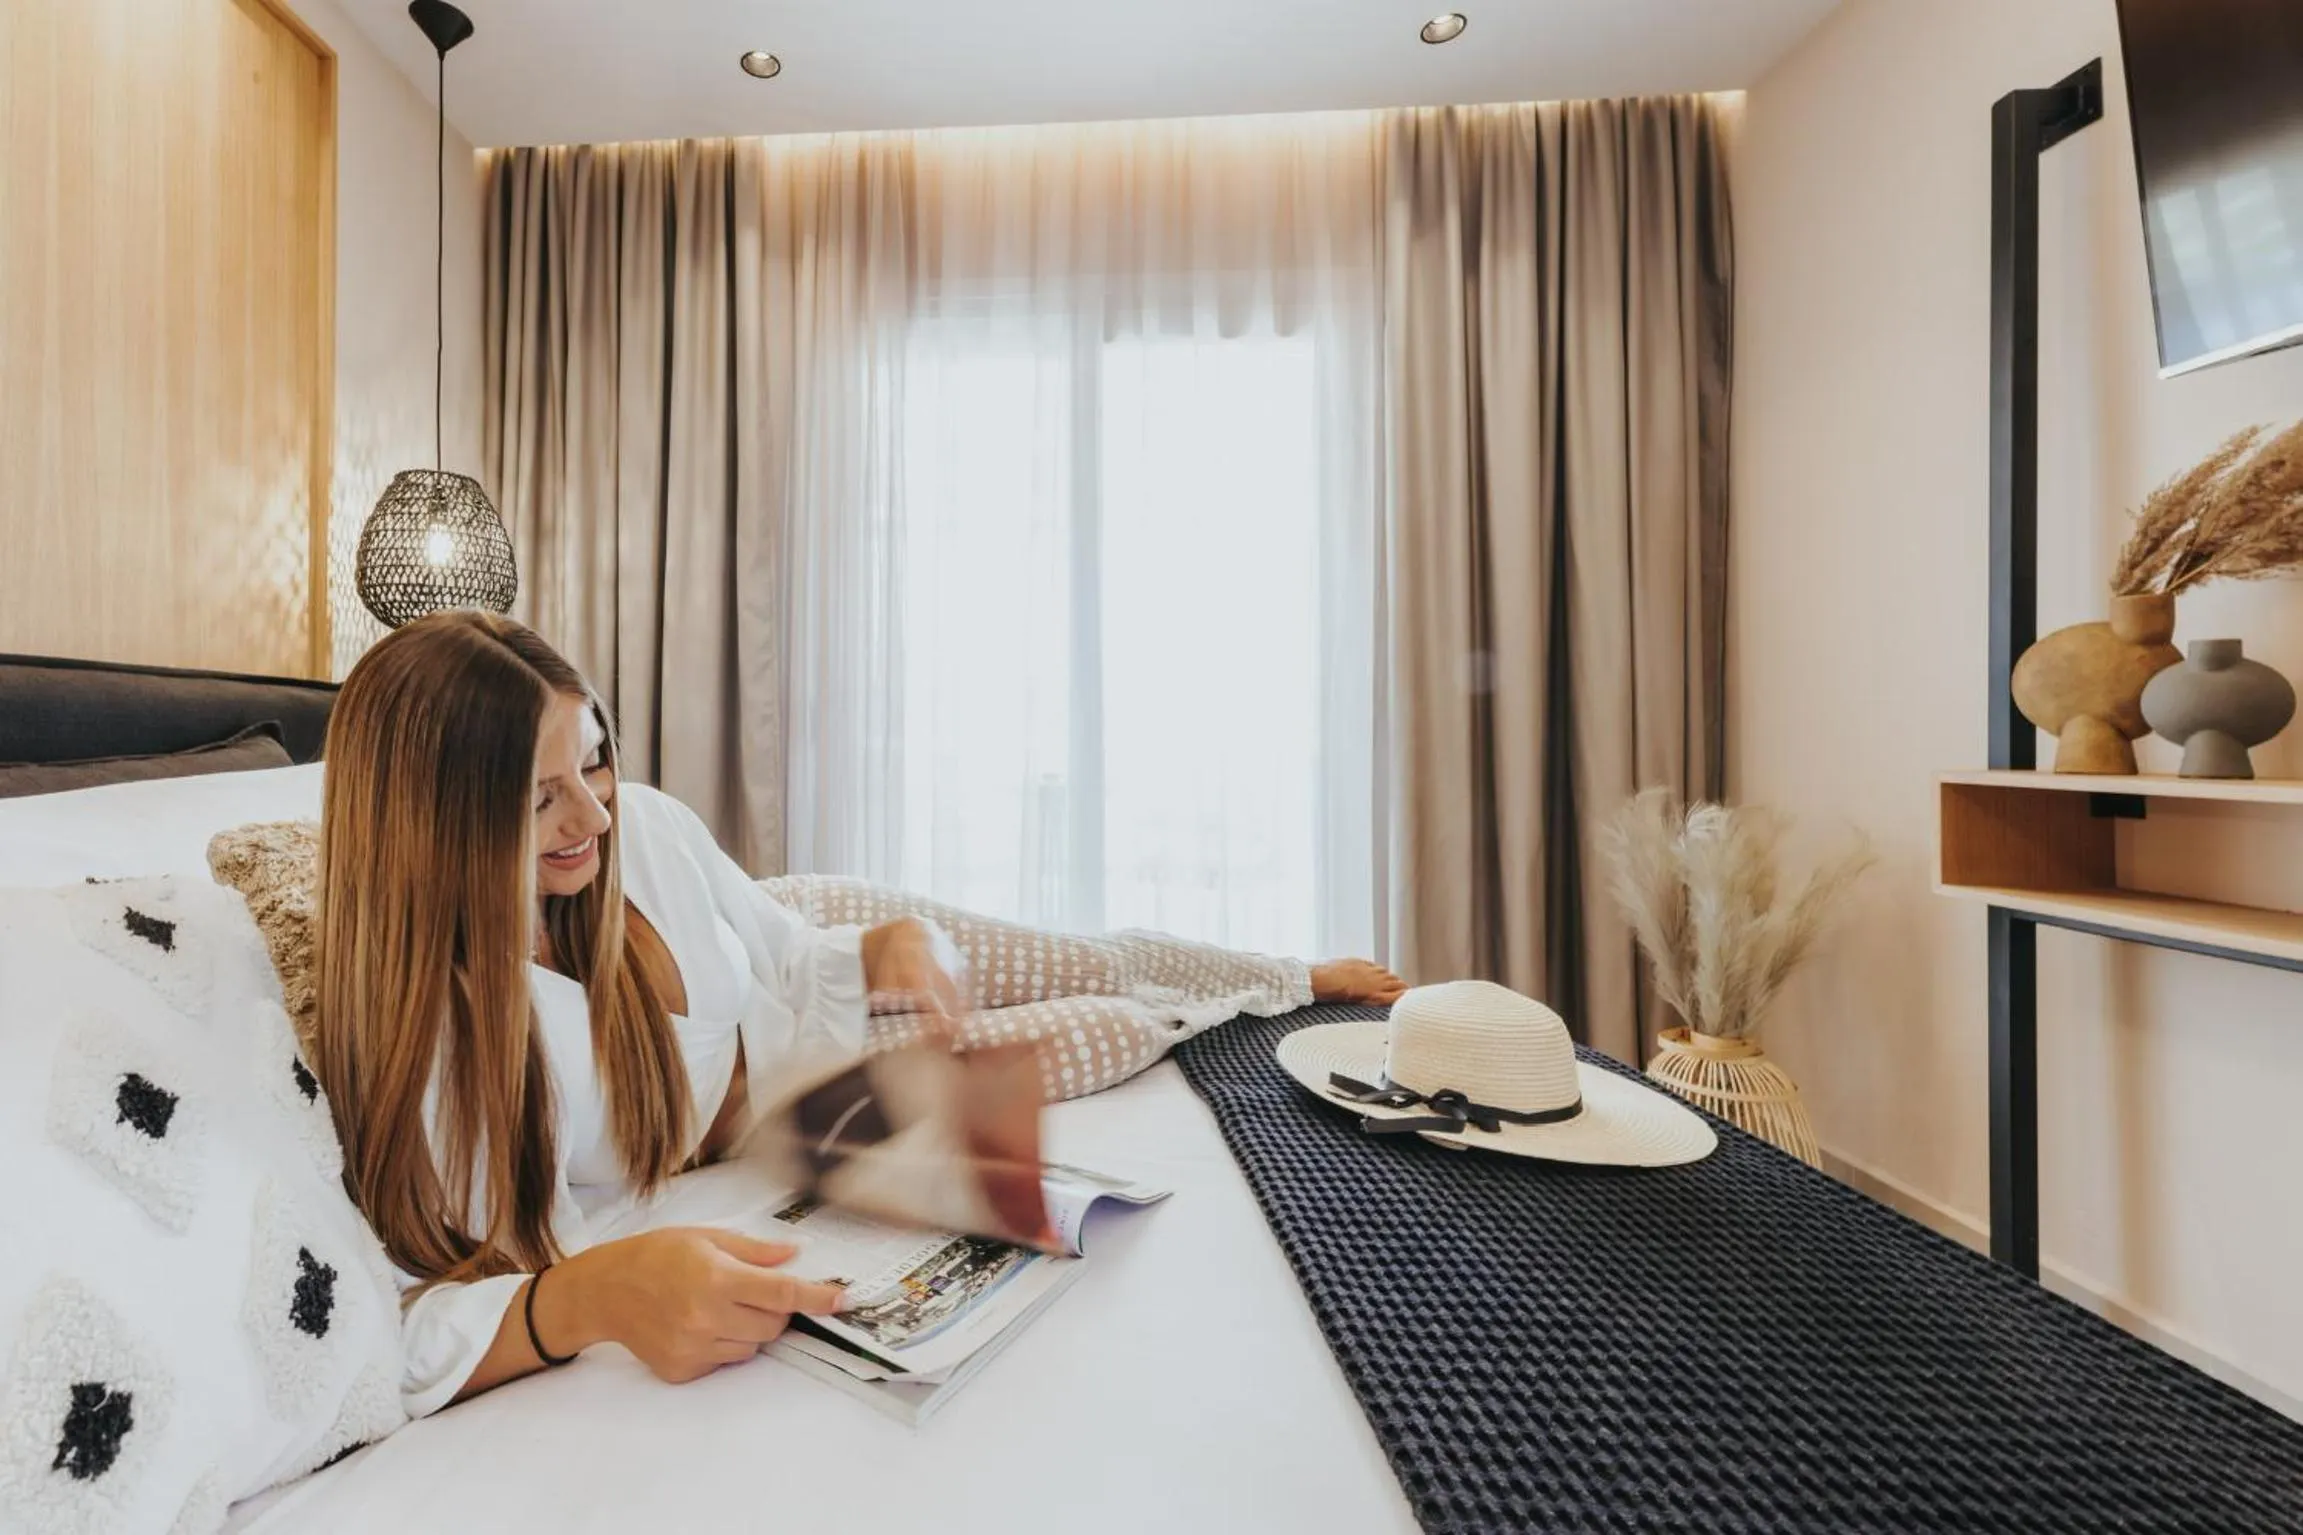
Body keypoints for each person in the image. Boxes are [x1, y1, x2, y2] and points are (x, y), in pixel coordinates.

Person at [314, 612, 1405, 1417]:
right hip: (789, 1092)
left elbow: (784, 953)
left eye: (593, 758)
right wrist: (584, 1297)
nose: (591, 808)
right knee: (1103, 1033)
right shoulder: (448, 1044)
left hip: (803, 948)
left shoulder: (638, 830)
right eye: (539, 791)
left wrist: (885, 951)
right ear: (435, 817)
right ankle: (1238, 1006)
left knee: (1076, 955)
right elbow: (417, 1327)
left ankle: (1292, 976)